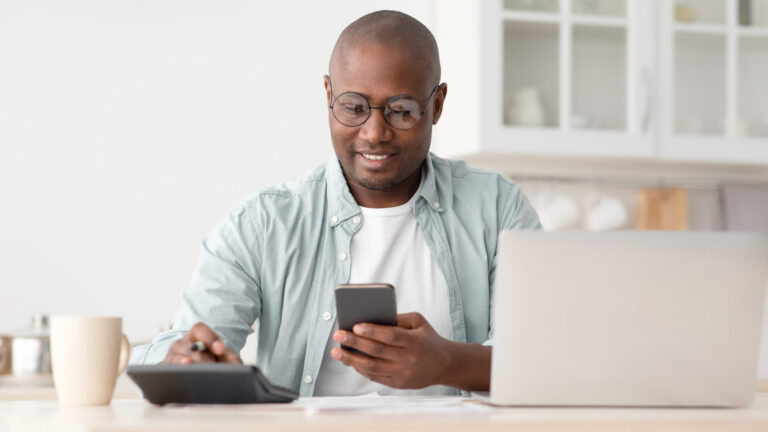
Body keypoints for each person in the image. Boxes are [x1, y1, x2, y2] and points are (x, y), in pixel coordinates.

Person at [130, 10, 540, 397]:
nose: (374, 133)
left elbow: (543, 362)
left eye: (401, 111)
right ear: (329, 94)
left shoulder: (499, 209)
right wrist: (183, 359)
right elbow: (177, 345)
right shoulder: (265, 224)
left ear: (436, 105)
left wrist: (447, 362)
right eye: (354, 108)